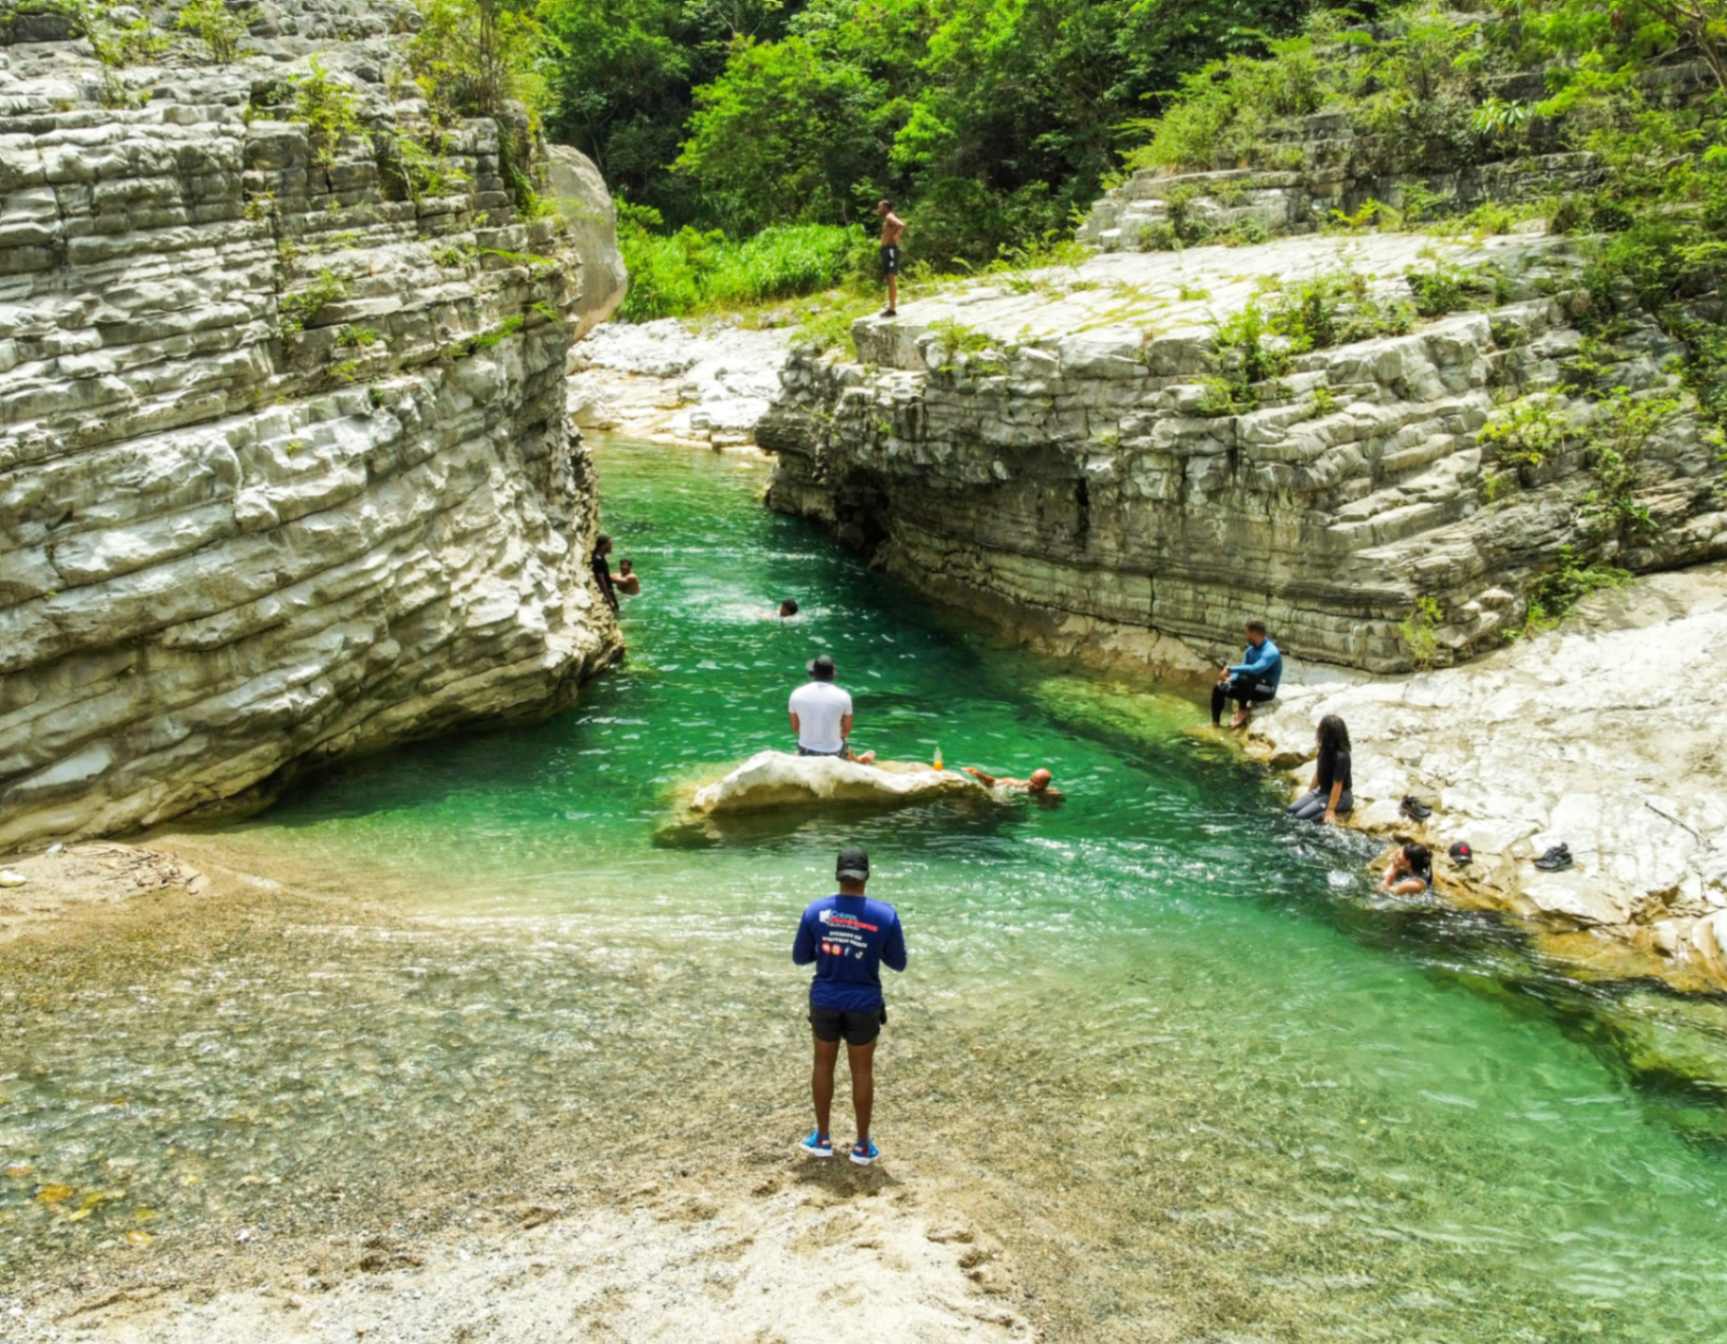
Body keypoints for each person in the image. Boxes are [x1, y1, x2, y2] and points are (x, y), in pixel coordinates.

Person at [792, 846, 907, 1166]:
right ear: (866, 876)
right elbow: (898, 963)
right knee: (862, 1071)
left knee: (822, 1065)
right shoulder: (885, 915)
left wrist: (831, 944)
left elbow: (800, 957)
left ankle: (822, 1139)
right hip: (864, 1002)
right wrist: (866, 944)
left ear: (837, 875)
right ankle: (862, 1146)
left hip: (825, 1000)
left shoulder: (815, 911)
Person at [1211, 619, 1282, 729]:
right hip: (1250, 688)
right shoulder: (1250, 650)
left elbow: (1255, 669)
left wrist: (1230, 669)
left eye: (1247, 633)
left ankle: (1242, 710)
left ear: (1254, 633)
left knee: (1246, 678)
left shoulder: (1271, 652)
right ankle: (1215, 723)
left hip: (1266, 690)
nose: (1246, 636)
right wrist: (1229, 680)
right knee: (1219, 687)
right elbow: (1242, 670)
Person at [1286, 715, 1352, 825]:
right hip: (1322, 791)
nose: (1318, 731)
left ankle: (1321, 815)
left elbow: (1338, 784)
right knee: (1290, 810)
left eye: (1321, 729)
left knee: (1301, 817)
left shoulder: (1341, 756)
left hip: (1341, 797)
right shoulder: (1324, 749)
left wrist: (1330, 809)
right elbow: (1319, 772)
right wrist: (1310, 792)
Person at [788, 655, 853, 758]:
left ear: (813, 673)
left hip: (805, 751)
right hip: (834, 753)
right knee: (844, 742)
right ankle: (858, 760)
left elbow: (795, 728)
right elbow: (846, 730)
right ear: (833, 674)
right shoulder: (844, 696)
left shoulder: (796, 694)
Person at [962, 765, 1063, 800]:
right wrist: (978, 774)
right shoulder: (1020, 785)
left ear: (1045, 785)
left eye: (1037, 784)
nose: (1032, 785)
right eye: (1031, 780)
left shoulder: (1050, 794)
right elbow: (993, 782)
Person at [876, 199, 905, 317]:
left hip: (891, 250)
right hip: (887, 250)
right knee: (889, 278)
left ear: (886, 208)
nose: (878, 209)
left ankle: (892, 308)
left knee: (891, 277)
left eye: (880, 207)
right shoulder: (888, 218)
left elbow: (901, 224)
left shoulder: (889, 216)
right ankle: (891, 306)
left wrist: (897, 236)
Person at [591, 533, 618, 614]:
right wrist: (609, 600)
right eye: (609, 544)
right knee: (615, 611)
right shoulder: (598, 560)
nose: (611, 547)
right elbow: (601, 581)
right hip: (607, 592)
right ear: (603, 546)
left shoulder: (599, 556)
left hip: (609, 589)